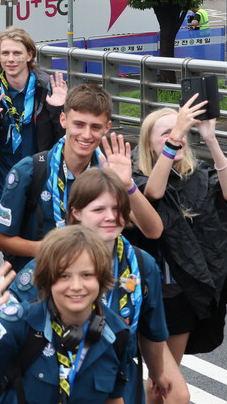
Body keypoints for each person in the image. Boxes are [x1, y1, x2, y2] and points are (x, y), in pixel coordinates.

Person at [0, 225, 130, 404]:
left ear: (101, 278)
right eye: (64, 276)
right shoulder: (21, 322)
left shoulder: (117, 334)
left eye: (87, 275)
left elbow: (113, 399)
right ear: (48, 280)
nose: (76, 286)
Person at [0, 84, 163, 269]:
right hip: (40, 281)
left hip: (95, 281)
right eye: (79, 124)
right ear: (63, 120)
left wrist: (128, 185)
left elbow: (153, 231)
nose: (87, 135)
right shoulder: (31, 171)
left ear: (107, 127)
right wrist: (46, 249)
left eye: (96, 127)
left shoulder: (108, 172)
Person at [132, 96, 227, 379]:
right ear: (149, 143)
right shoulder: (135, 176)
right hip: (145, 294)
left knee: (164, 381)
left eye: (178, 132)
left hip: (181, 294)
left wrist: (211, 140)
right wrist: (175, 136)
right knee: (158, 381)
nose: (175, 138)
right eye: (165, 133)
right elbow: (153, 194)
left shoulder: (198, 175)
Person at [65, 168, 189, 404]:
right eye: (99, 209)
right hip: (65, 379)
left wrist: (157, 372)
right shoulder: (54, 261)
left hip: (119, 378)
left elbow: (151, 333)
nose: (111, 217)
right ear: (76, 212)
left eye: (117, 209)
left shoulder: (142, 264)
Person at [0, 27, 67, 211]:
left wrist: (58, 112)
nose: (10, 59)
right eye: (5, 53)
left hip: (40, 193)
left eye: (17, 53)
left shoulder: (48, 93)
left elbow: (66, 148)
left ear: (29, 56)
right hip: (3, 193)